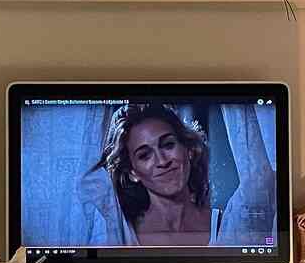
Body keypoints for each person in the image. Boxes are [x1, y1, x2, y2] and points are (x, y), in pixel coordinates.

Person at [90, 103, 222, 246]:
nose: (162, 161)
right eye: (145, 155)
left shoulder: (227, 224)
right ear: (132, 173)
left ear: (188, 149)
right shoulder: (117, 234)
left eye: (168, 145)